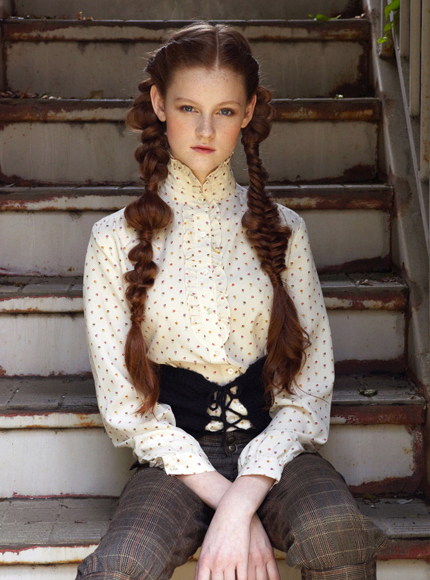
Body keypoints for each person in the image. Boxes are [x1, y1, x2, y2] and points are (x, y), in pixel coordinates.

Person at [76, 22, 386, 580]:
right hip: (175, 462)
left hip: (277, 452)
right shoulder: (112, 241)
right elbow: (125, 408)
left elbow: (310, 386)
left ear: (247, 114)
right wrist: (227, 503)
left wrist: (245, 496)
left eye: (224, 111)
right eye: (188, 108)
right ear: (159, 104)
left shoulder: (284, 231)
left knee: (337, 537)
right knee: (119, 567)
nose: (205, 129)